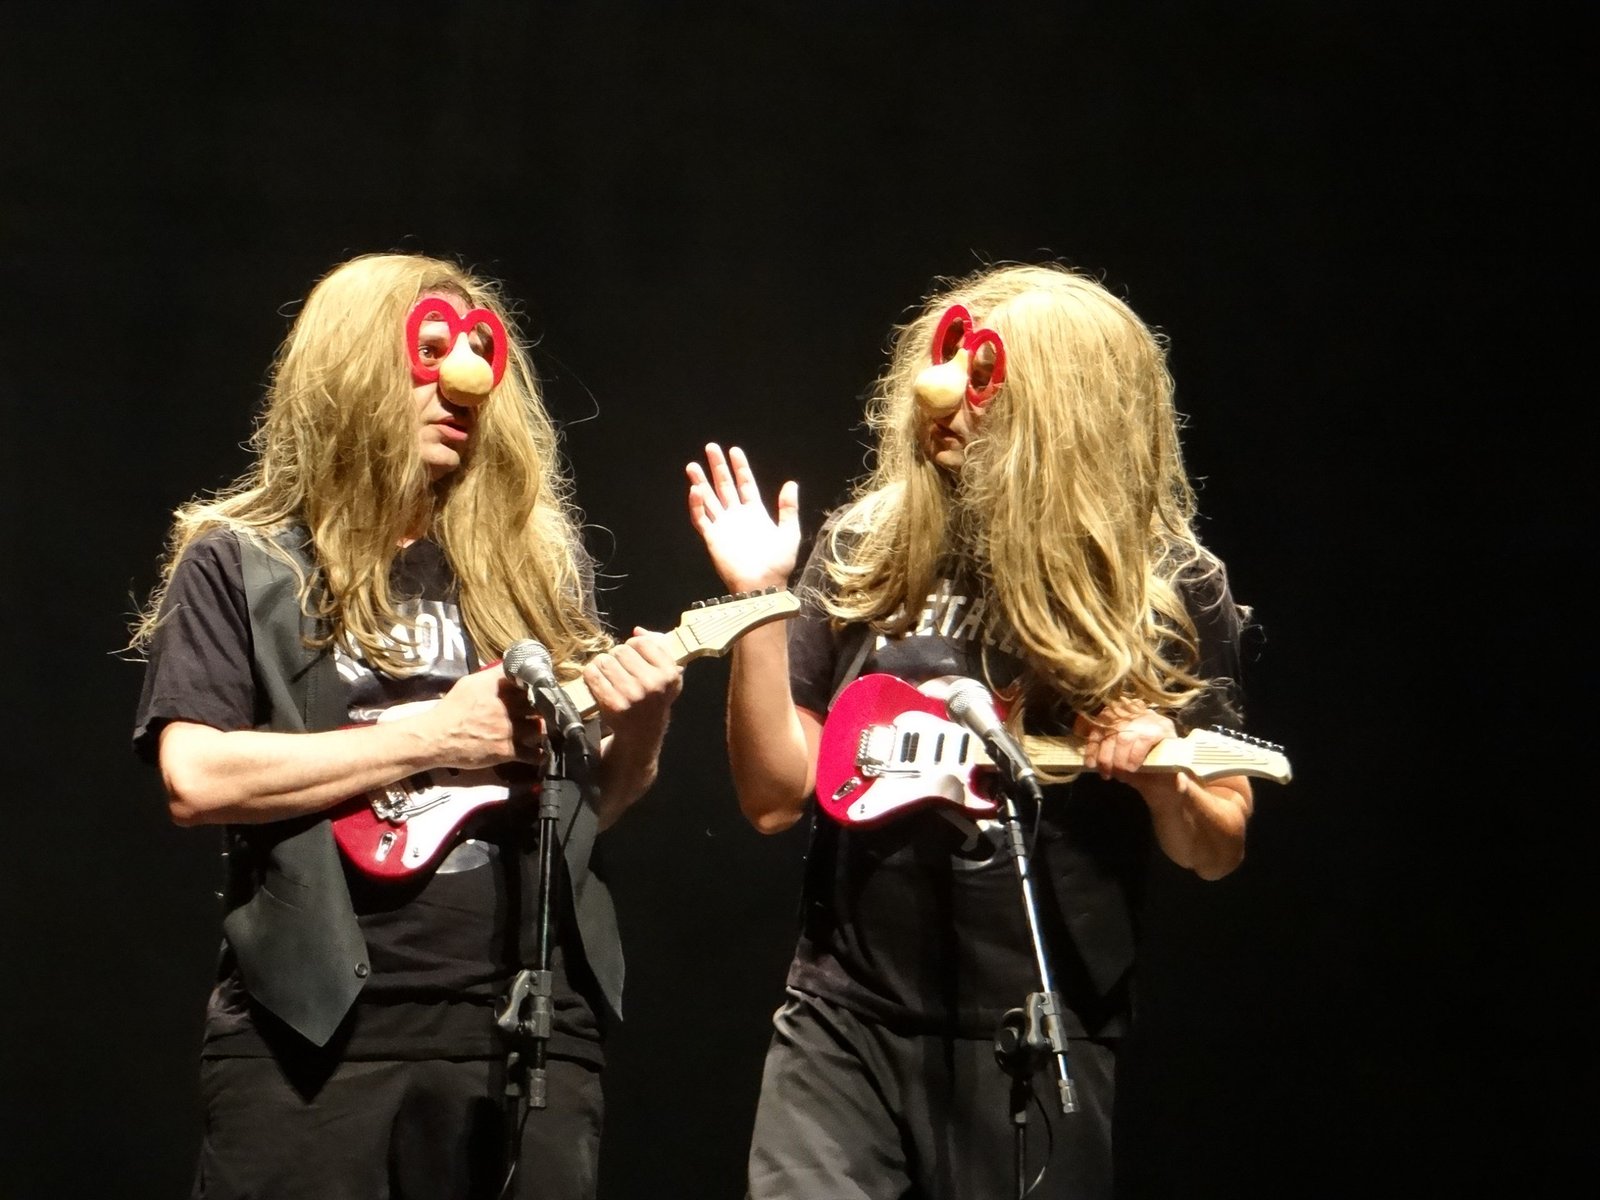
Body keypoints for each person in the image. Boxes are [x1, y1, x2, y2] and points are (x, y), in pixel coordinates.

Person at [686, 262, 1259, 1199]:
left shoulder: (1169, 586)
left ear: (1067, 409)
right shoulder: (869, 547)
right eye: (943, 363)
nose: (940, 397)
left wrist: (1165, 782)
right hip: (845, 1020)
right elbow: (775, 798)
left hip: (1035, 1036)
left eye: (983, 376)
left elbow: (1218, 844)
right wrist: (759, 603)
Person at [130, 251, 684, 1200]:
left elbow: (592, 812)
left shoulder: (532, 577)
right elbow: (196, 778)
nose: (461, 383)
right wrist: (432, 737)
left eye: (477, 355)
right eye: (429, 353)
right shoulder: (243, 563)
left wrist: (643, 726)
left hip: (525, 1034)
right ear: (354, 370)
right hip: (313, 1039)